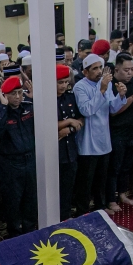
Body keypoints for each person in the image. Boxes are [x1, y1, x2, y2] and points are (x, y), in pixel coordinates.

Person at [73, 53, 125, 215]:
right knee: (86, 182)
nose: (99, 71)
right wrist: (101, 89)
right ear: (85, 72)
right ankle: (82, 211)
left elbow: (112, 108)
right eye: (94, 68)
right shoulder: (80, 87)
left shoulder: (106, 84)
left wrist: (121, 96)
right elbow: (87, 110)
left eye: (100, 67)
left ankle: (100, 208)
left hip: (104, 139)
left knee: (101, 179)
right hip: (88, 143)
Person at [0, 75, 37, 236]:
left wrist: (35, 98)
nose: (17, 97)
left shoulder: (29, 107)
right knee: (13, 202)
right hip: (10, 163)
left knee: (31, 199)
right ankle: (15, 234)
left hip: (30, 159)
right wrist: (3, 107)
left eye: (20, 93)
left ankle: (30, 230)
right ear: (4, 95)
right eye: (13, 94)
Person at [107, 53, 133, 208]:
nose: (130, 72)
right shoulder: (111, 85)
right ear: (116, 69)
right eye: (126, 70)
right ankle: (111, 199)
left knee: (127, 166)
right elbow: (113, 111)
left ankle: (123, 194)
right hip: (117, 132)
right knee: (114, 168)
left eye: (132, 69)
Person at [56, 64, 83, 220]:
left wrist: (70, 128)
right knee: (54, 188)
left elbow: (80, 120)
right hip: (55, 151)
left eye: (66, 82)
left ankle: (65, 215)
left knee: (68, 187)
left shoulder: (70, 96)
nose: (64, 86)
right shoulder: (47, 100)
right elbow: (47, 125)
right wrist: (69, 122)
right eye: (60, 82)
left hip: (70, 149)